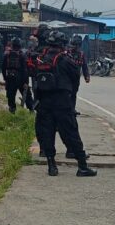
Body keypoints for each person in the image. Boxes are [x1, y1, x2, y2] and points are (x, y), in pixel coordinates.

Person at [35, 30, 96, 177]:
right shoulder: (65, 59)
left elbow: (35, 79)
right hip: (62, 102)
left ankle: (52, 166)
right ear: (62, 44)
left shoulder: (41, 58)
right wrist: (70, 95)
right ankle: (82, 166)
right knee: (71, 132)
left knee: (47, 133)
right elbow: (75, 79)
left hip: (44, 102)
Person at [2, 37, 29, 113]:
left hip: (10, 77)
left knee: (11, 95)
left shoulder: (7, 54)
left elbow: (3, 68)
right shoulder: (22, 55)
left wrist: (5, 78)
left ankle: (12, 109)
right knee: (27, 94)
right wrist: (26, 82)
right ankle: (31, 109)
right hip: (20, 78)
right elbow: (25, 69)